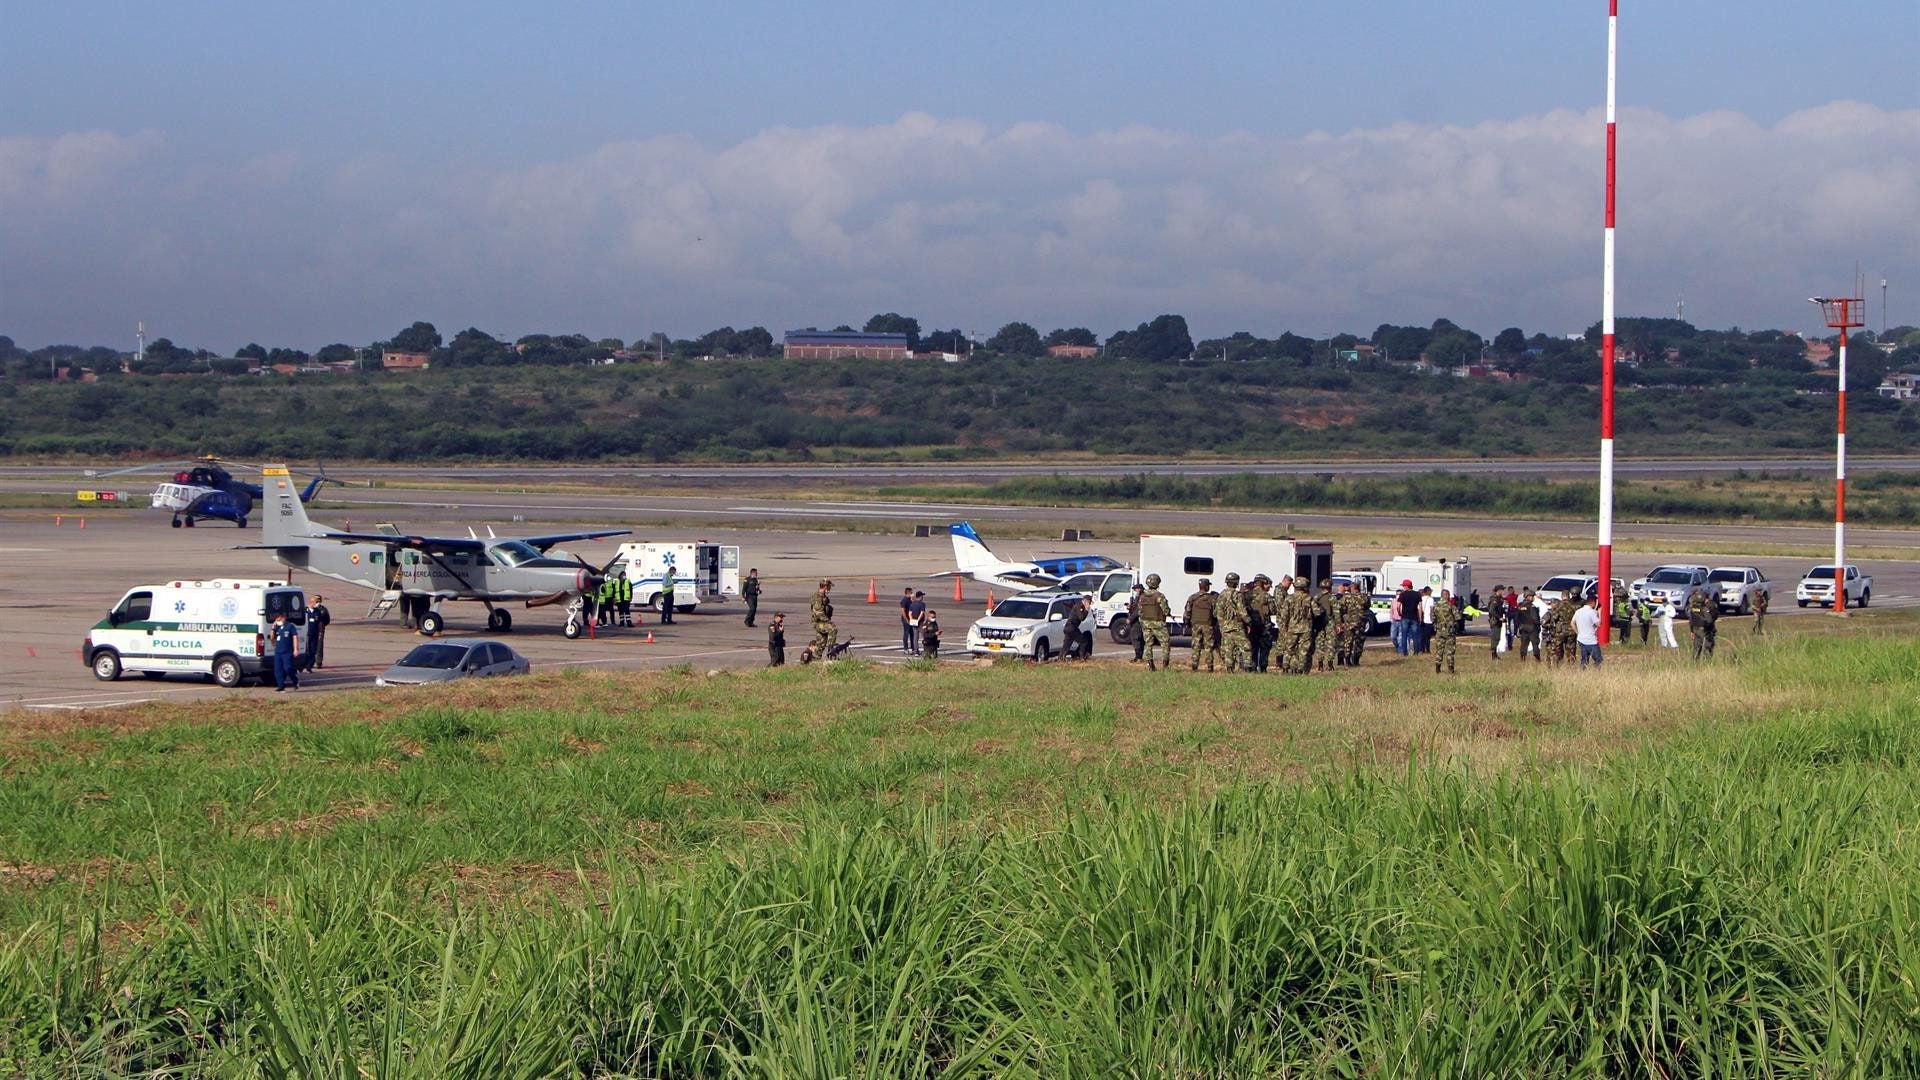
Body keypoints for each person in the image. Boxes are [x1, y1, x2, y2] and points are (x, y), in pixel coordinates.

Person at [1138, 573, 1172, 671]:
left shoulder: (1142, 596)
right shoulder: (1159, 596)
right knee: (1165, 643)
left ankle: (1150, 665)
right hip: (1158, 623)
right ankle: (1165, 665)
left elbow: (1140, 611)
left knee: (1148, 644)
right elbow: (1166, 610)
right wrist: (1168, 612)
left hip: (1146, 623)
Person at [1215, 572, 1249, 672]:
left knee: (1228, 648)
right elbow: (1242, 612)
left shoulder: (1221, 595)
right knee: (1246, 647)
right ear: (1236, 583)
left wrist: (1222, 626)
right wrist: (1249, 622)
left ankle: (1229, 668)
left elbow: (1218, 613)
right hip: (1237, 626)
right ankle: (1247, 668)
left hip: (1225, 627)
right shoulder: (1237, 595)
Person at [1184, 578, 1220, 673]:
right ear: (1207, 586)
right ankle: (1210, 667)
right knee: (1208, 647)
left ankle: (1194, 666)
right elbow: (1216, 613)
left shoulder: (1192, 597)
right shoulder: (1212, 599)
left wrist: (1187, 622)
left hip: (1196, 625)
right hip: (1208, 625)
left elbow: (1187, 611)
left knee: (1196, 646)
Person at [802, 579, 835, 664]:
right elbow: (819, 613)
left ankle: (814, 660)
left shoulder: (823, 596)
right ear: (825, 586)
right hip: (818, 622)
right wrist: (828, 622)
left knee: (821, 642)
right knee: (833, 629)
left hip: (822, 622)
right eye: (829, 586)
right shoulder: (817, 597)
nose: (830, 588)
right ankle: (831, 652)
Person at [1246, 575, 1274, 672]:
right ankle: (1263, 667)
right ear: (1262, 583)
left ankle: (1252, 667)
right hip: (1264, 626)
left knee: (1253, 647)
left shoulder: (1247, 595)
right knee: (1264, 648)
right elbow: (1273, 610)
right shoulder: (1266, 596)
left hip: (1251, 625)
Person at [1432, 588, 1462, 674]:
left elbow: (1433, 618)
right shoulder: (1450, 605)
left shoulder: (1435, 606)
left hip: (1439, 631)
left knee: (1439, 650)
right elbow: (1458, 617)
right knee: (1450, 651)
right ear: (1446, 595)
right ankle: (1451, 669)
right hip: (1449, 632)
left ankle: (1437, 668)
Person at [269, 611, 299, 692]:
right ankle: (281, 686)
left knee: (288, 668)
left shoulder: (290, 626)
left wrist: (296, 649)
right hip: (278, 652)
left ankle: (295, 681)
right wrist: (272, 628)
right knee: (278, 670)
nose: (276, 620)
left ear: (283, 617)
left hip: (287, 651)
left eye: (278, 618)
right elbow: (272, 639)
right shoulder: (277, 627)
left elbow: (295, 637)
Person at [1573, 594, 1605, 668]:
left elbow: (1572, 623)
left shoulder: (1578, 611)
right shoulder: (1592, 612)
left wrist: (1577, 632)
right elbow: (1599, 624)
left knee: (1584, 659)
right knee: (1598, 660)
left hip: (1581, 639)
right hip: (1591, 640)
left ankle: (1582, 672)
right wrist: (1599, 612)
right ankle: (1597, 673)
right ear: (1593, 602)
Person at [1687, 587, 1718, 660]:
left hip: (1695, 629)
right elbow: (1709, 621)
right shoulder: (1704, 609)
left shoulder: (1692, 608)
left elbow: (1691, 620)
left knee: (1696, 648)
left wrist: (1691, 631)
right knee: (1708, 646)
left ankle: (1694, 663)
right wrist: (1710, 629)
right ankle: (1706, 663)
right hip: (1704, 630)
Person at [302, 594, 331, 671]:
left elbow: (323, 621)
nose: (317, 603)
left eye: (318, 601)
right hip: (307, 633)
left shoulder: (319, 611)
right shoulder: (305, 611)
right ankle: (304, 665)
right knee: (306, 650)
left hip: (315, 633)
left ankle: (313, 665)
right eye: (315, 601)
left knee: (314, 650)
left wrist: (321, 632)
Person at [1393, 579, 1420, 656]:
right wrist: (1420, 617)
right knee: (1415, 635)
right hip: (1414, 617)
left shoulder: (1403, 594)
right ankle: (1416, 652)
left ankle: (1405, 652)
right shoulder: (1417, 594)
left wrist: (1400, 613)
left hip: (1405, 617)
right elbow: (1420, 607)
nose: (1403, 587)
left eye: (1403, 586)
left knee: (1404, 635)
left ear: (1406, 586)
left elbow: (1398, 606)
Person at [1514, 589, 1543, 661]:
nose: (1533, 598)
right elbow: (1535, 618)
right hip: (1532, 628)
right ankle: (1538, 659)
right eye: (1532, 596)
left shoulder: (1520, 606)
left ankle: (1522, 659)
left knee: (1524, 644)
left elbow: (1516, 618)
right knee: (1535, 644)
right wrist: (1540, 623)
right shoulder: (1532, 606)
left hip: (1523, 628)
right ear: (1529, 597)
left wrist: (1519, 626)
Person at [1485, 585, 1506, 662]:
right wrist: (1499, 617)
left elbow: (1500, 609)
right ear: (1498, 590)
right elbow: (1492, 611)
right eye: (1502, 590)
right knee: (1495, 637)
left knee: (1497, 637)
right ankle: (1493, 654)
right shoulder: (1494, 600)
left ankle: (1495, 653)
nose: (1503, 592)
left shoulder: (1499, 599)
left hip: (1498, 621)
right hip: (1495, 621)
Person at [1126, 585, 1146, 663]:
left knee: (1136, 638)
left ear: (1140, 589)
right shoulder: (1139, 597)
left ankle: (1138, 657)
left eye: (1136, 589)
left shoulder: (1142, 597)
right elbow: (1135, 608)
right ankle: (1138, 657)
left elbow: (1138, 610)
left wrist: (1130, 619)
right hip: (1138, 620)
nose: (1135, 591)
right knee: (1139, 639)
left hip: (1138, 621)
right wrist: (1130, 607)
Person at [899, 587, 917, 654]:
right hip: (906, 619)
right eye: (911, 592)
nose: (912, 594)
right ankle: (905, 648)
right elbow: (903, 611)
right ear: (908, 593)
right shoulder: (904, 600)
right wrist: (906, 620)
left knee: (912, 633)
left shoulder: (910, 599)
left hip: (911, 619)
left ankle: (913, 648)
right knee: (906, 633)